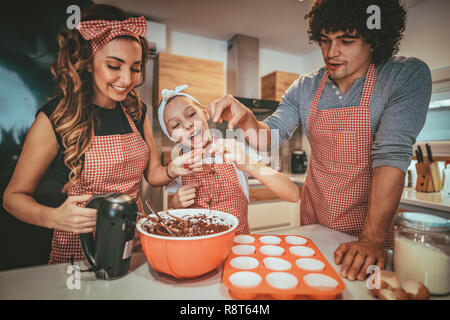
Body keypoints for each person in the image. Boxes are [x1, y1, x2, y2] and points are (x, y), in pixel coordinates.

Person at [208, 0, 432, 280]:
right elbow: (271, 136)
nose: (331, 52)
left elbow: (390, 155)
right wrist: (247, 120)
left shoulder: (403, 76)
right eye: (325, 40)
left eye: (346, 40)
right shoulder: (305, 86)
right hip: (315, 221)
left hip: (368, 228)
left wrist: (372, 239)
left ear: (374, 39)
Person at [2, 4, 203, 264]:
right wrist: (54, 217)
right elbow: (13, 197)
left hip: (134, 239)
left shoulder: (136, 111)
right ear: (88, 63)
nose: (127, 79)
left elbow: (153, 175)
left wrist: (173, 170)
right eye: (114, 65)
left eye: (135, 67)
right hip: (80, 246)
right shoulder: (57, 118)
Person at [158, 85, 300, 234]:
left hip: (240, 249)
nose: (187, 125)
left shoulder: (236, 149)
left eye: (192, 114)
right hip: (200, 252)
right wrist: (175, 207)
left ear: (205, 113)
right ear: (171, 136)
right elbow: (173, 226)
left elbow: (293, 194)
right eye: (175, 125)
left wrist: (249, 164)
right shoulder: (179, 168)